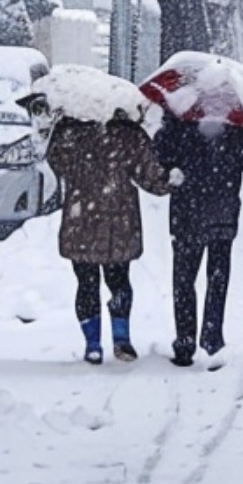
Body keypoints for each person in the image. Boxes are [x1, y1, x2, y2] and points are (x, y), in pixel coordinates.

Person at [154, 116, 243, 366]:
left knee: (184, 280)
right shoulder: (235, 123)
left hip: (186, 214)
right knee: (217, 278)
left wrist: (170, 169)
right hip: (222, 212)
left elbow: (158, 161)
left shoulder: (178, 119)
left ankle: (185, 343)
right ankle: (212, 339)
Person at [44, 105, 176, 365]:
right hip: (119, 220)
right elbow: (150, 176)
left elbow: (57, 163)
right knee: (119, 281)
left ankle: (92, 344)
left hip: (80, 219)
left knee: (86, 283)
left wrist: (57, 129)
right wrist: (171, 180)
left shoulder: (70, 132)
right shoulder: (128, 134)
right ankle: (121, 338)